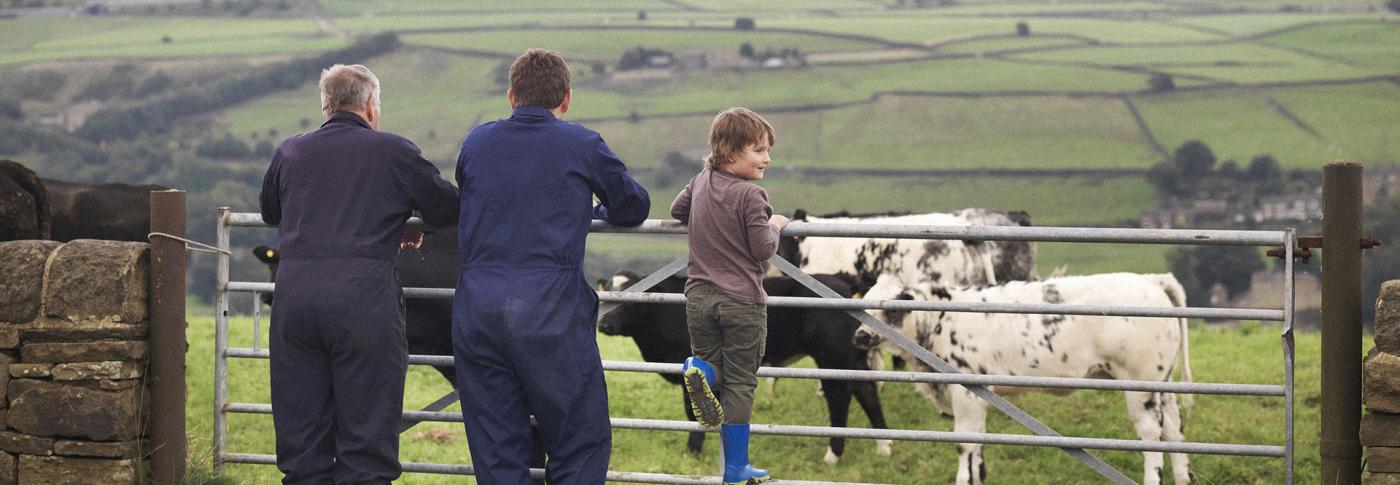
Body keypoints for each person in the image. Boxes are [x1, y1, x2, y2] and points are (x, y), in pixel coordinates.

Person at [451, 48, 651, 484]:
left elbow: (469, 193)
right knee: (579, 441)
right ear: (566, 97)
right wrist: (591, 210)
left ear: (511, 96)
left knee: (496, 447)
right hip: (550, 311)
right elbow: (633, 205)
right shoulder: (582, 143)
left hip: (477, 309)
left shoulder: (476, 142)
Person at [259, 64, 459, 484]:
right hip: (362, 302)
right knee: (366, 443)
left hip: (294, 303)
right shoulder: (393, 152)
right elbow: (446, 207)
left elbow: (271, 211)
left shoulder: (289, 152)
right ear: (370, 106)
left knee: (303, 444)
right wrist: (400, 214)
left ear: (325, 105)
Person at [670, 107, 788, 485]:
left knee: (715, 369)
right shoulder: (751, 195)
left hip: (699, 297)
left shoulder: (701, 180)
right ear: (731, 151)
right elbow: (762, 249)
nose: (767, 158)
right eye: (758, 150)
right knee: (740, 383)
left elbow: (677, 210)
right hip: (741, 302)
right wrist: (775, 223)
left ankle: (699, 369)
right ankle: (736, 468)